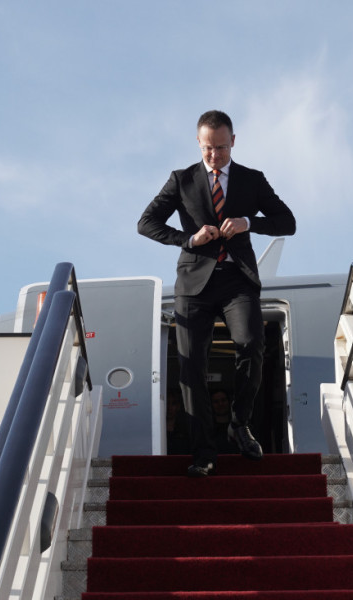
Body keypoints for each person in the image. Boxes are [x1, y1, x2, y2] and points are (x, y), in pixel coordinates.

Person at [137, 110, 296, 477]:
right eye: (208, 148)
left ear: (233, 142)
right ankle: (204, 453)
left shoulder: (252, 180)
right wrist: (189, 239)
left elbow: (287, 222)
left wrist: (247, 223)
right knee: (191, 366)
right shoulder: (181, 179)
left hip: (237, 278)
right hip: (194, 284)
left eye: (221, 148)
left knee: (251, 344)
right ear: (199, 143)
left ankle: (239, 424)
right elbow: (146, 223)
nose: (214, 155)